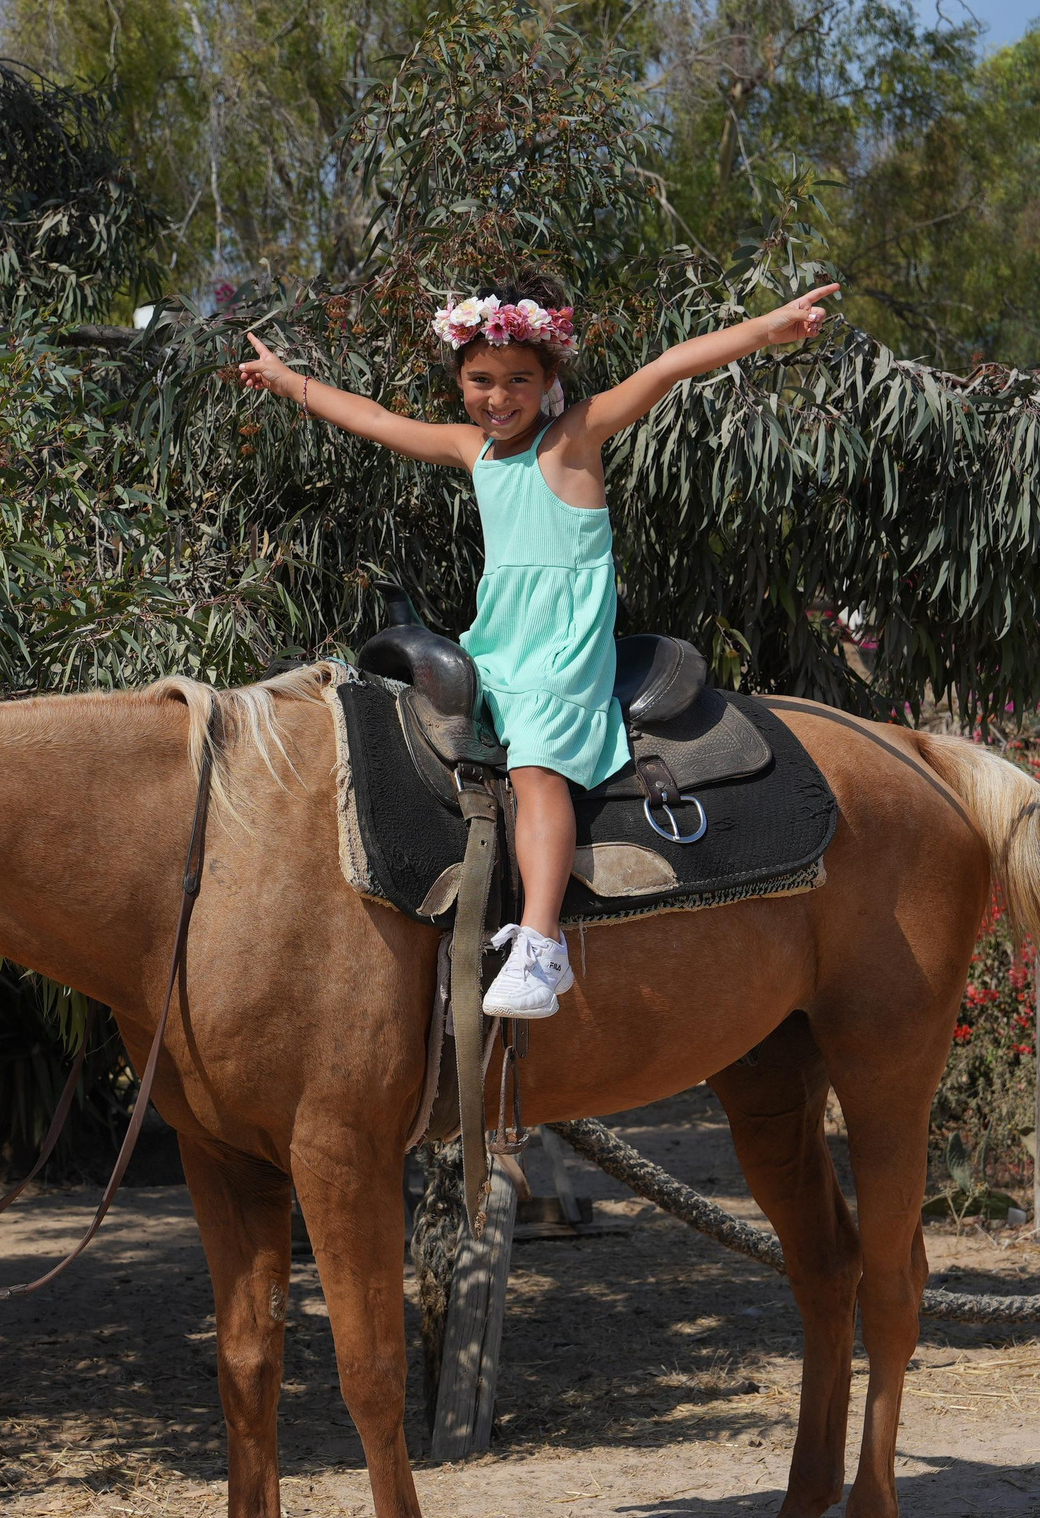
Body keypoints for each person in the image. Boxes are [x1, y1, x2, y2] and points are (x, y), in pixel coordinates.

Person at [238, 274, 840, 1017]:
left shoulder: (572, 439)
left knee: (536, 768)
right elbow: (371, 418)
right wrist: (284, 380)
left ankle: (542, 944)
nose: (498, 396)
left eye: (519, 379)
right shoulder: (475, 452)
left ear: (549, 378)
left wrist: (767, 328)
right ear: (460, 381)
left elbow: (667, 368)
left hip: (562, 657)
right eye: (481, 380)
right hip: (497, 648)